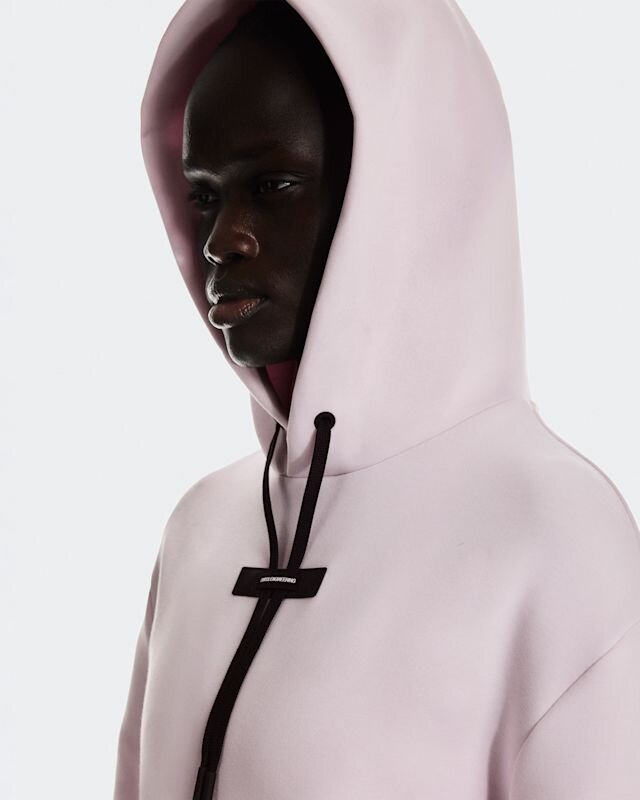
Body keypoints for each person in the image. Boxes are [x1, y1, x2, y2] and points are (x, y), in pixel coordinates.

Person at [114, 1, 640, 799]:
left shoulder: (552, 533)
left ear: (407, 192)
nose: (222, 241)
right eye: (204, 196)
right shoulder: (200, 529)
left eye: (274, 185)